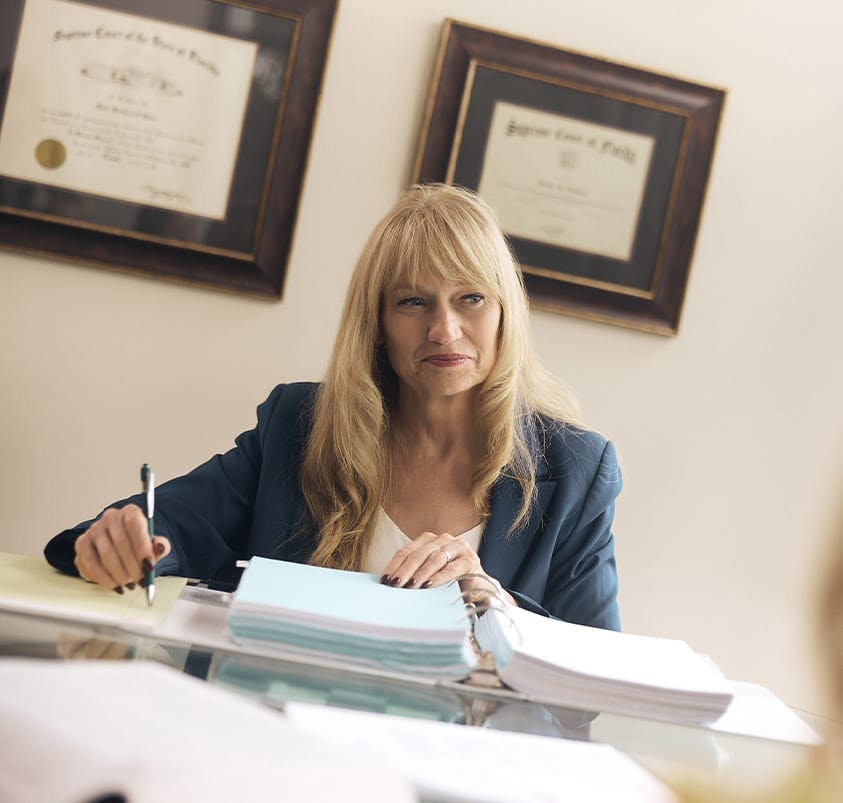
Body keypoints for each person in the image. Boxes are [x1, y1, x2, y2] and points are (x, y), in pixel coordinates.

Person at [45, 184, 622, 628]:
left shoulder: (576, 468)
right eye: (413, 302)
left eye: (470, 298)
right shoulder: (298, 427)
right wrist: (121, 538)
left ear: (505, 313)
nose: (444, 331)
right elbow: (167, 523)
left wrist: (492, 603)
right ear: (376, 325)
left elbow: (596, 673)